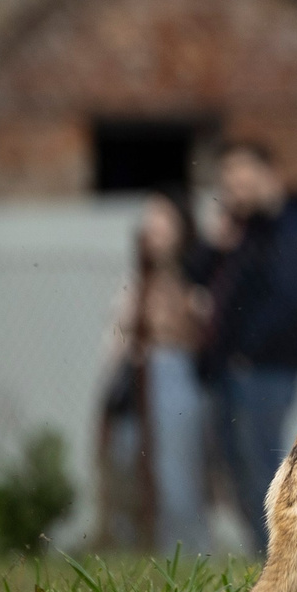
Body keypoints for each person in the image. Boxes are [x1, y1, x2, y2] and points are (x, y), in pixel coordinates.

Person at [198, 139, 297, 552]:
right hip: (230, 366)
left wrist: (248, 350)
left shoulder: (293, 219)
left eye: (245, 180)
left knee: (262, 461)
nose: (236, 191)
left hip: (267, 365)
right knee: (236, 464)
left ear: (268, 177)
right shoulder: (238, 229)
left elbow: (291, 293)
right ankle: (264, 553)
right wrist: (216, 243)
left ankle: (284, 554)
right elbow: (198, 276)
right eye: (230, 183)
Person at [95, 190, 213, 554]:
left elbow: (201, 328)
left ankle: (186, 555)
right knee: (126, 465)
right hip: (134, 382)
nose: (152, 228)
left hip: (176, 375)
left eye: (162, 220)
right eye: (149, 220)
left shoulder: (196, 275)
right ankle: (136, 556)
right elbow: (117, 335)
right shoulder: (137, 278)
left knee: (176, 476)